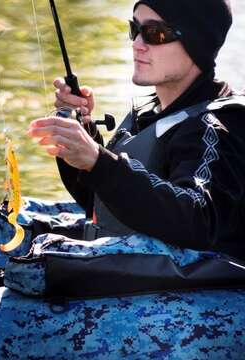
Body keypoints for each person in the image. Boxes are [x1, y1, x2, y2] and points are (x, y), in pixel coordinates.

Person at [27, 0, 245, 260]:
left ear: (196, 43)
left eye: (155, 33)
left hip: (203, 290)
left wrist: (99, 161)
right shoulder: (149, 112)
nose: (137, 44)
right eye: (135, 29)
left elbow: (199, 219)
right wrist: (81, 141)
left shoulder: (218, 126)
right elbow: (101, 205)